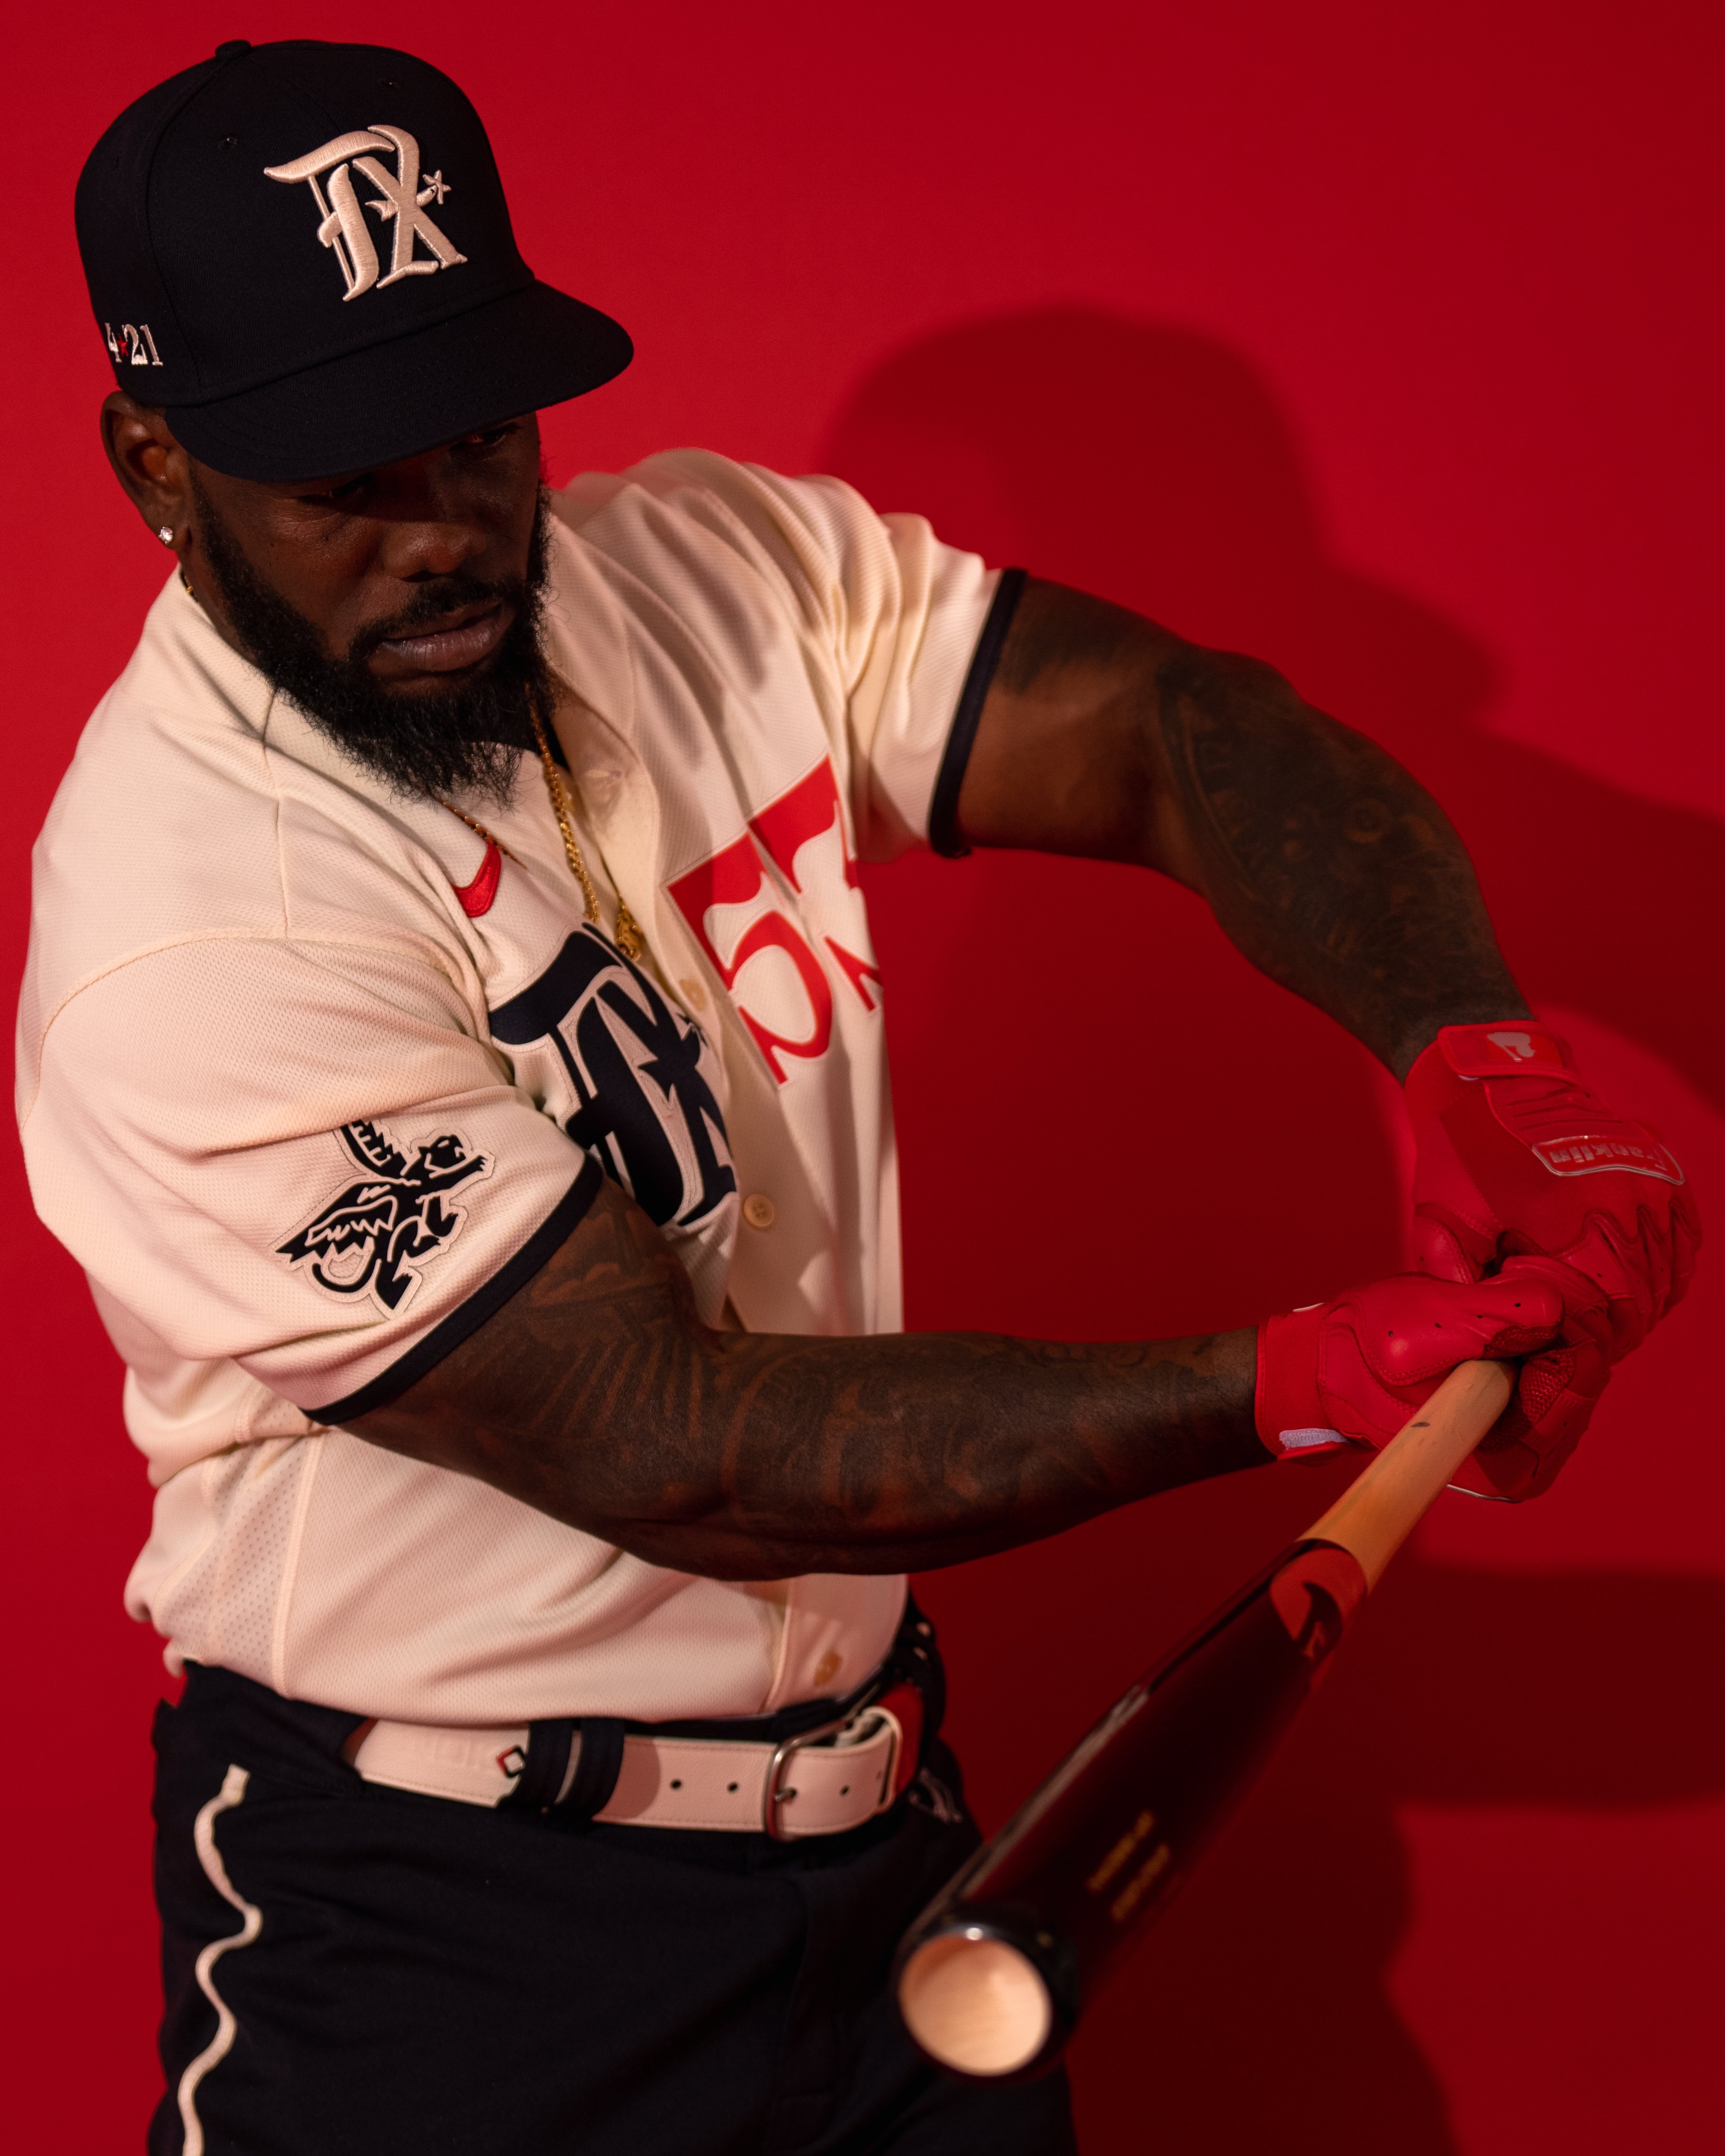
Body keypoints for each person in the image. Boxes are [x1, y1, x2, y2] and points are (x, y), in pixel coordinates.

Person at [19, 36, 1697, 2156]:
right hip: (449, 1929)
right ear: (154, 465)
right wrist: (1291, 1379)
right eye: (343, 476)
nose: (442, 531)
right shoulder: (189, 932)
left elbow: (1176, 733)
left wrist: (1480, 1057)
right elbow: (680, 1443)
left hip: (898, 1852)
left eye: (478, 432)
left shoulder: (702, 576)